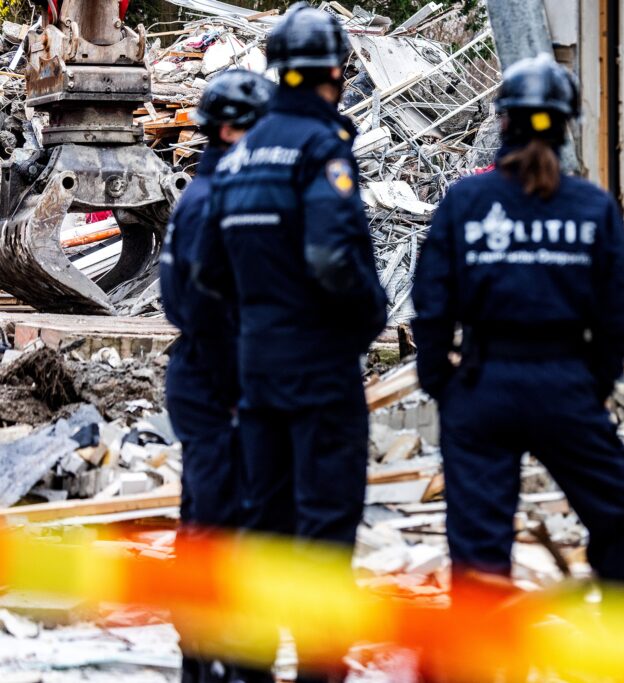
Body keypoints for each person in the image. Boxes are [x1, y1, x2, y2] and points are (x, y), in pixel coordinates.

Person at [412, 53, 624, 609]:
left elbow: (430, 304)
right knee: (621, 520)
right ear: (566, 125)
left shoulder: (466, 201)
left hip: (482, 388)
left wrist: (444, 385)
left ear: (503, 119)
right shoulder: (591, 207)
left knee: (478, 549)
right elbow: (619, 315)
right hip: (565, 387)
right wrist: (589, 385)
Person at [193, 4, 387, 680]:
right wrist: (369, 316)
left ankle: (247, 669)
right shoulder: (318, 147)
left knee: (263, 530)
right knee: (324, 531)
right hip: (319, 369)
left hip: (257, 369)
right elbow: (333, 258)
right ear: (336, 69)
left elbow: (207, 270)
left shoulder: (242, 153)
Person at [159, 68, 272, 683]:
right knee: (216, 516)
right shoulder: (218, 200)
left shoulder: (214, 193)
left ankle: (212, 651)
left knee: (212, 513)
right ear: (229, 129)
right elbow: (191, 302)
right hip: (215, 382)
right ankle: (209, 654)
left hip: (215, 379)